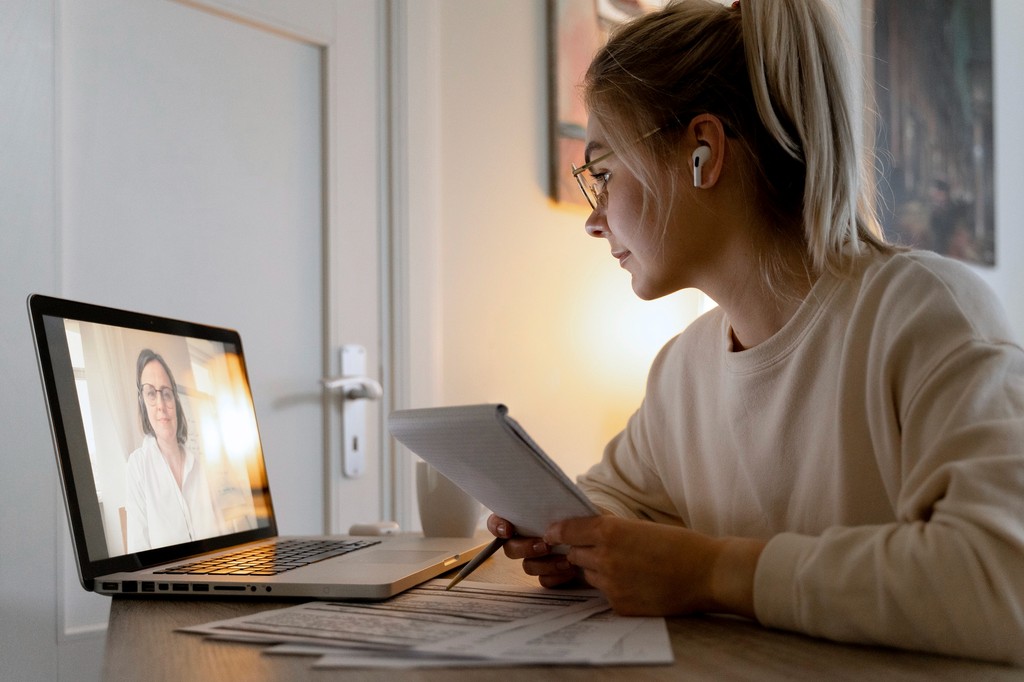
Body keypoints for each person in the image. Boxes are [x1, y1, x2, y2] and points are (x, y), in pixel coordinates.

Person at [488, 0, 1024, 664]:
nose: (593, 221)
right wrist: (572, 543)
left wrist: (713, 572)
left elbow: (1003, 584)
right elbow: (614, 502)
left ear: (703, 152)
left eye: (603, 172)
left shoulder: (928, 315)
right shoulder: (683, 370)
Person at [125, 349, 222, 552]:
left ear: (175, 401)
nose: (161, 404)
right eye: (151, 393)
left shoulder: (200, 465)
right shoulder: (138, 466)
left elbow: (222, 537)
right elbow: (138, 552)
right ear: (142, 402)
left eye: (166, 394)